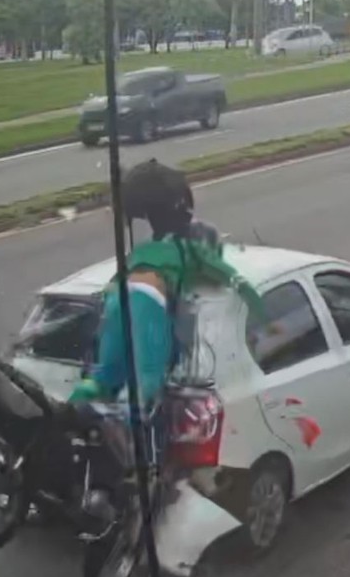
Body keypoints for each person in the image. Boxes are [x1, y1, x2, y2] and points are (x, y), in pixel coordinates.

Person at [67, 160, 267, 446]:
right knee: (146, 380)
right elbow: (238, 282)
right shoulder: (193, 250)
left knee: (105, 373)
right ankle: (123, 434)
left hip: (116, 298)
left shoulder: (144, 250)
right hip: (148, 300)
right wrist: (264, 316)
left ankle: (70, 417)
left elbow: (112, 286)